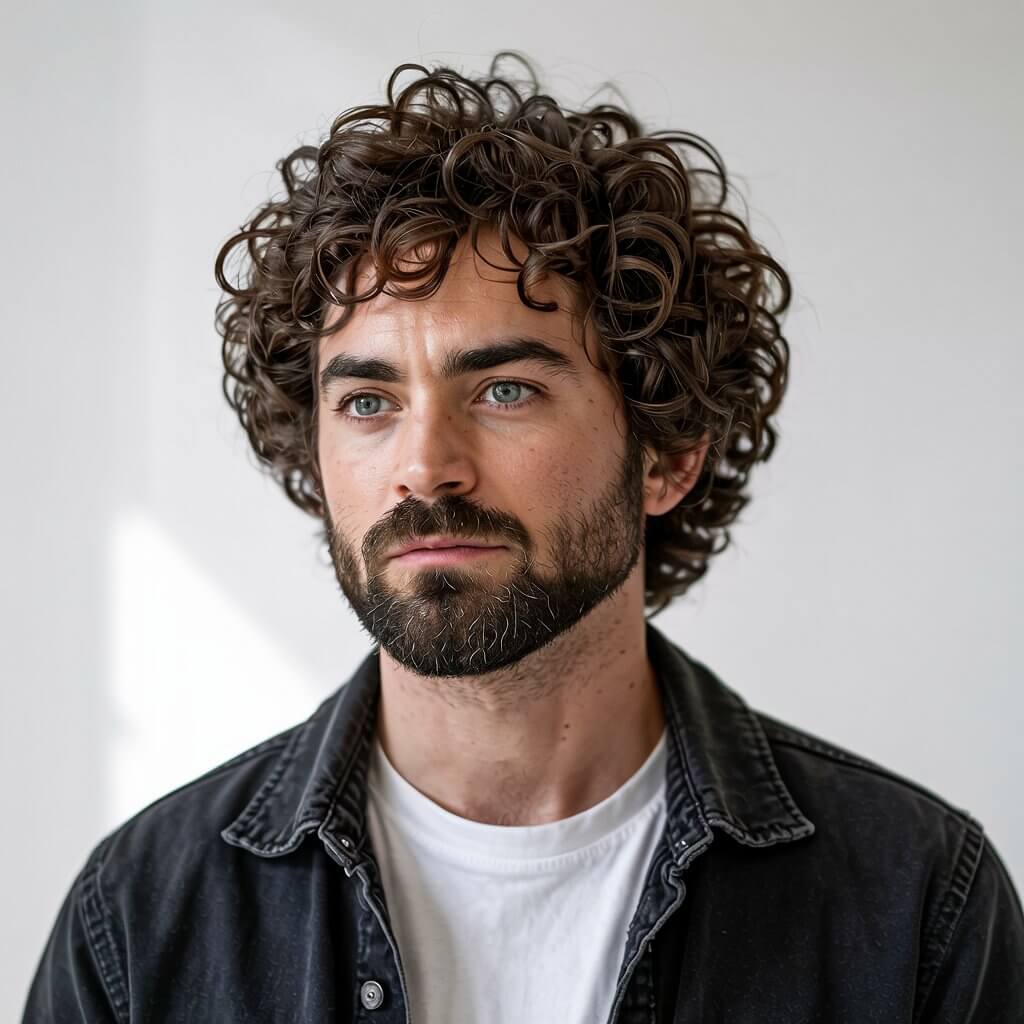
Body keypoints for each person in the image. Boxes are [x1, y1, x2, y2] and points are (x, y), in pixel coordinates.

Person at [24, 52, 1023, 1023]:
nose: (424, 465)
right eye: (368, 401)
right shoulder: (143, 919)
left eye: (505, 390)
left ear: (667, 453)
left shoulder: (914, 905)